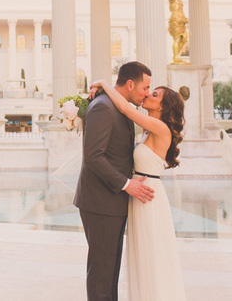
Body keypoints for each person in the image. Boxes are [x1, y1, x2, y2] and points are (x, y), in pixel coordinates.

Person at [89, 79, 187, 301]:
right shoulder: (147, 129)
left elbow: (125, 107)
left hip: (148, 196)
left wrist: (105, 83)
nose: (148, 96)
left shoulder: (160, 127)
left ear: (162, 106)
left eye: (154, 95)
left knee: (152, 252)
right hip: (139, 193)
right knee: (142, 253)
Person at [73, 61, 155, 300]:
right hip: (100, 203)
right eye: (145, 87)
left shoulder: (118, 106)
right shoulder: (103, 107)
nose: (147, 94)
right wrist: (127, 184)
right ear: (130, 84)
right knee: (102, 272)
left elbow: (116, 152)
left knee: (110, 270)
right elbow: (93, 157)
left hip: (111, 203)